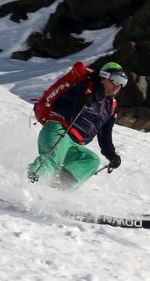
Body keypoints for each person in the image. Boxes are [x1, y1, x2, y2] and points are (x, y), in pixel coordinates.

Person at [27, 61, 128, 191]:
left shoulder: (112, 106)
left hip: (75, 144)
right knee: (53, 159)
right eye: (116, 79)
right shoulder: (84, 87)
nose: (119, 85)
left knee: (91, 160)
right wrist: (79, 101)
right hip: (59, 130)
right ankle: (27, 185)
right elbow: (60, 104)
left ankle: (56, 191)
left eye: (123, 82)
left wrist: (111, 154)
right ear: (104, 77)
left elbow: (105, 134)